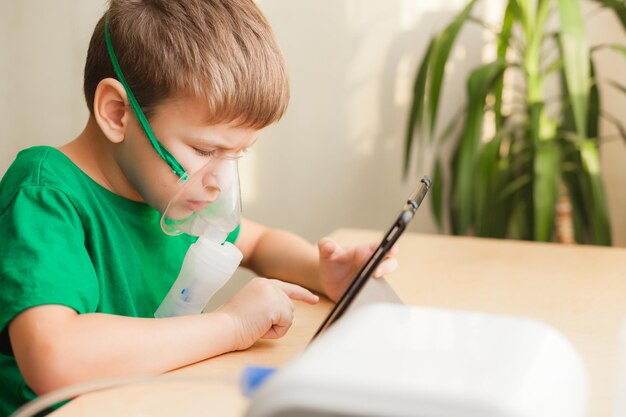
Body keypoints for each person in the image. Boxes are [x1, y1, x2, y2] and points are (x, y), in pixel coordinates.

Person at [0, 0, 398, 415]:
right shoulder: (46, 195)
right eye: (206, 149)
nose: (222, 181)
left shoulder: (173, 195)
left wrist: (321, 271)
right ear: (118, 113)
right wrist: (231, 325)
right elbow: (54, 358)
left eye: (239, 154)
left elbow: (259, 242)